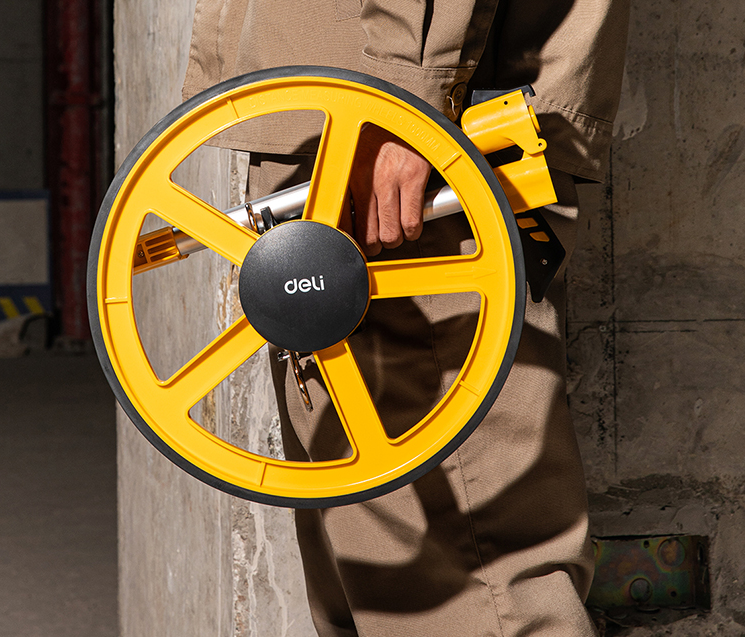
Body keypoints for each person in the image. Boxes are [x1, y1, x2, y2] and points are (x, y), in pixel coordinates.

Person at [182, 1, 630, 635]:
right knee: (382, 584)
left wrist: (402, 93)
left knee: (467, 591)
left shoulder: (393, 110)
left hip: (394, 137)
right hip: (362, 116)